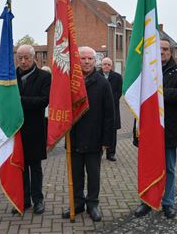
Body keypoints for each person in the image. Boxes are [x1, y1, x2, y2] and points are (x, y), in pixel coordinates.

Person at [61, 46, 114, 222]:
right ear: (77, 60)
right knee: (76, 174)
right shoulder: (70, 82)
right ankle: (77, 204)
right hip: (74, 137)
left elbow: (109, 114)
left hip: (94, 138)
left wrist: (107, 141)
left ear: (95, 61)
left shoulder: (103, 83)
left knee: (93, 175)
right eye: (83, 58)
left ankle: (92, 204)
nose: (86, 62)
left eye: (90, 59)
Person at [134, 38, 177, 219]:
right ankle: (147, 201)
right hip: (148, 130)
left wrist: (157, 90)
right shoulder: (145, 71)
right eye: (158, 49)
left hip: (169, 128)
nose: (161, 52)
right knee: (148, 166)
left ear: (170, 52)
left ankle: (168, 203)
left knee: (169, 168)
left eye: (165, 49)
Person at [15, 45, 51, 214]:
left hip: (35, 129)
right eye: (20, 58)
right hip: (16, 129)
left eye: (26, 57)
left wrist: (19, 100)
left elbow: (43, 100)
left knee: (35, 167)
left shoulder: (44, 76)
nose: (23, 61)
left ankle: (38, 200)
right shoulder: (10, 76)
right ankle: (23, 200)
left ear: (34, 57)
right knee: (20, 167)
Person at [98, 57, 122, 162]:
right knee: (98, 131)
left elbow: (118, 92)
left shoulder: (117, 77)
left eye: (108, 64)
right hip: (98, 108)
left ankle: (111, 153)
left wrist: (110, 101)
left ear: (111, 66)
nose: (106, 66)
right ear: (101, 65)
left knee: (112, 132)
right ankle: (98, 153)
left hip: (113, 109)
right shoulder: (96, 75)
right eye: (104, 64)